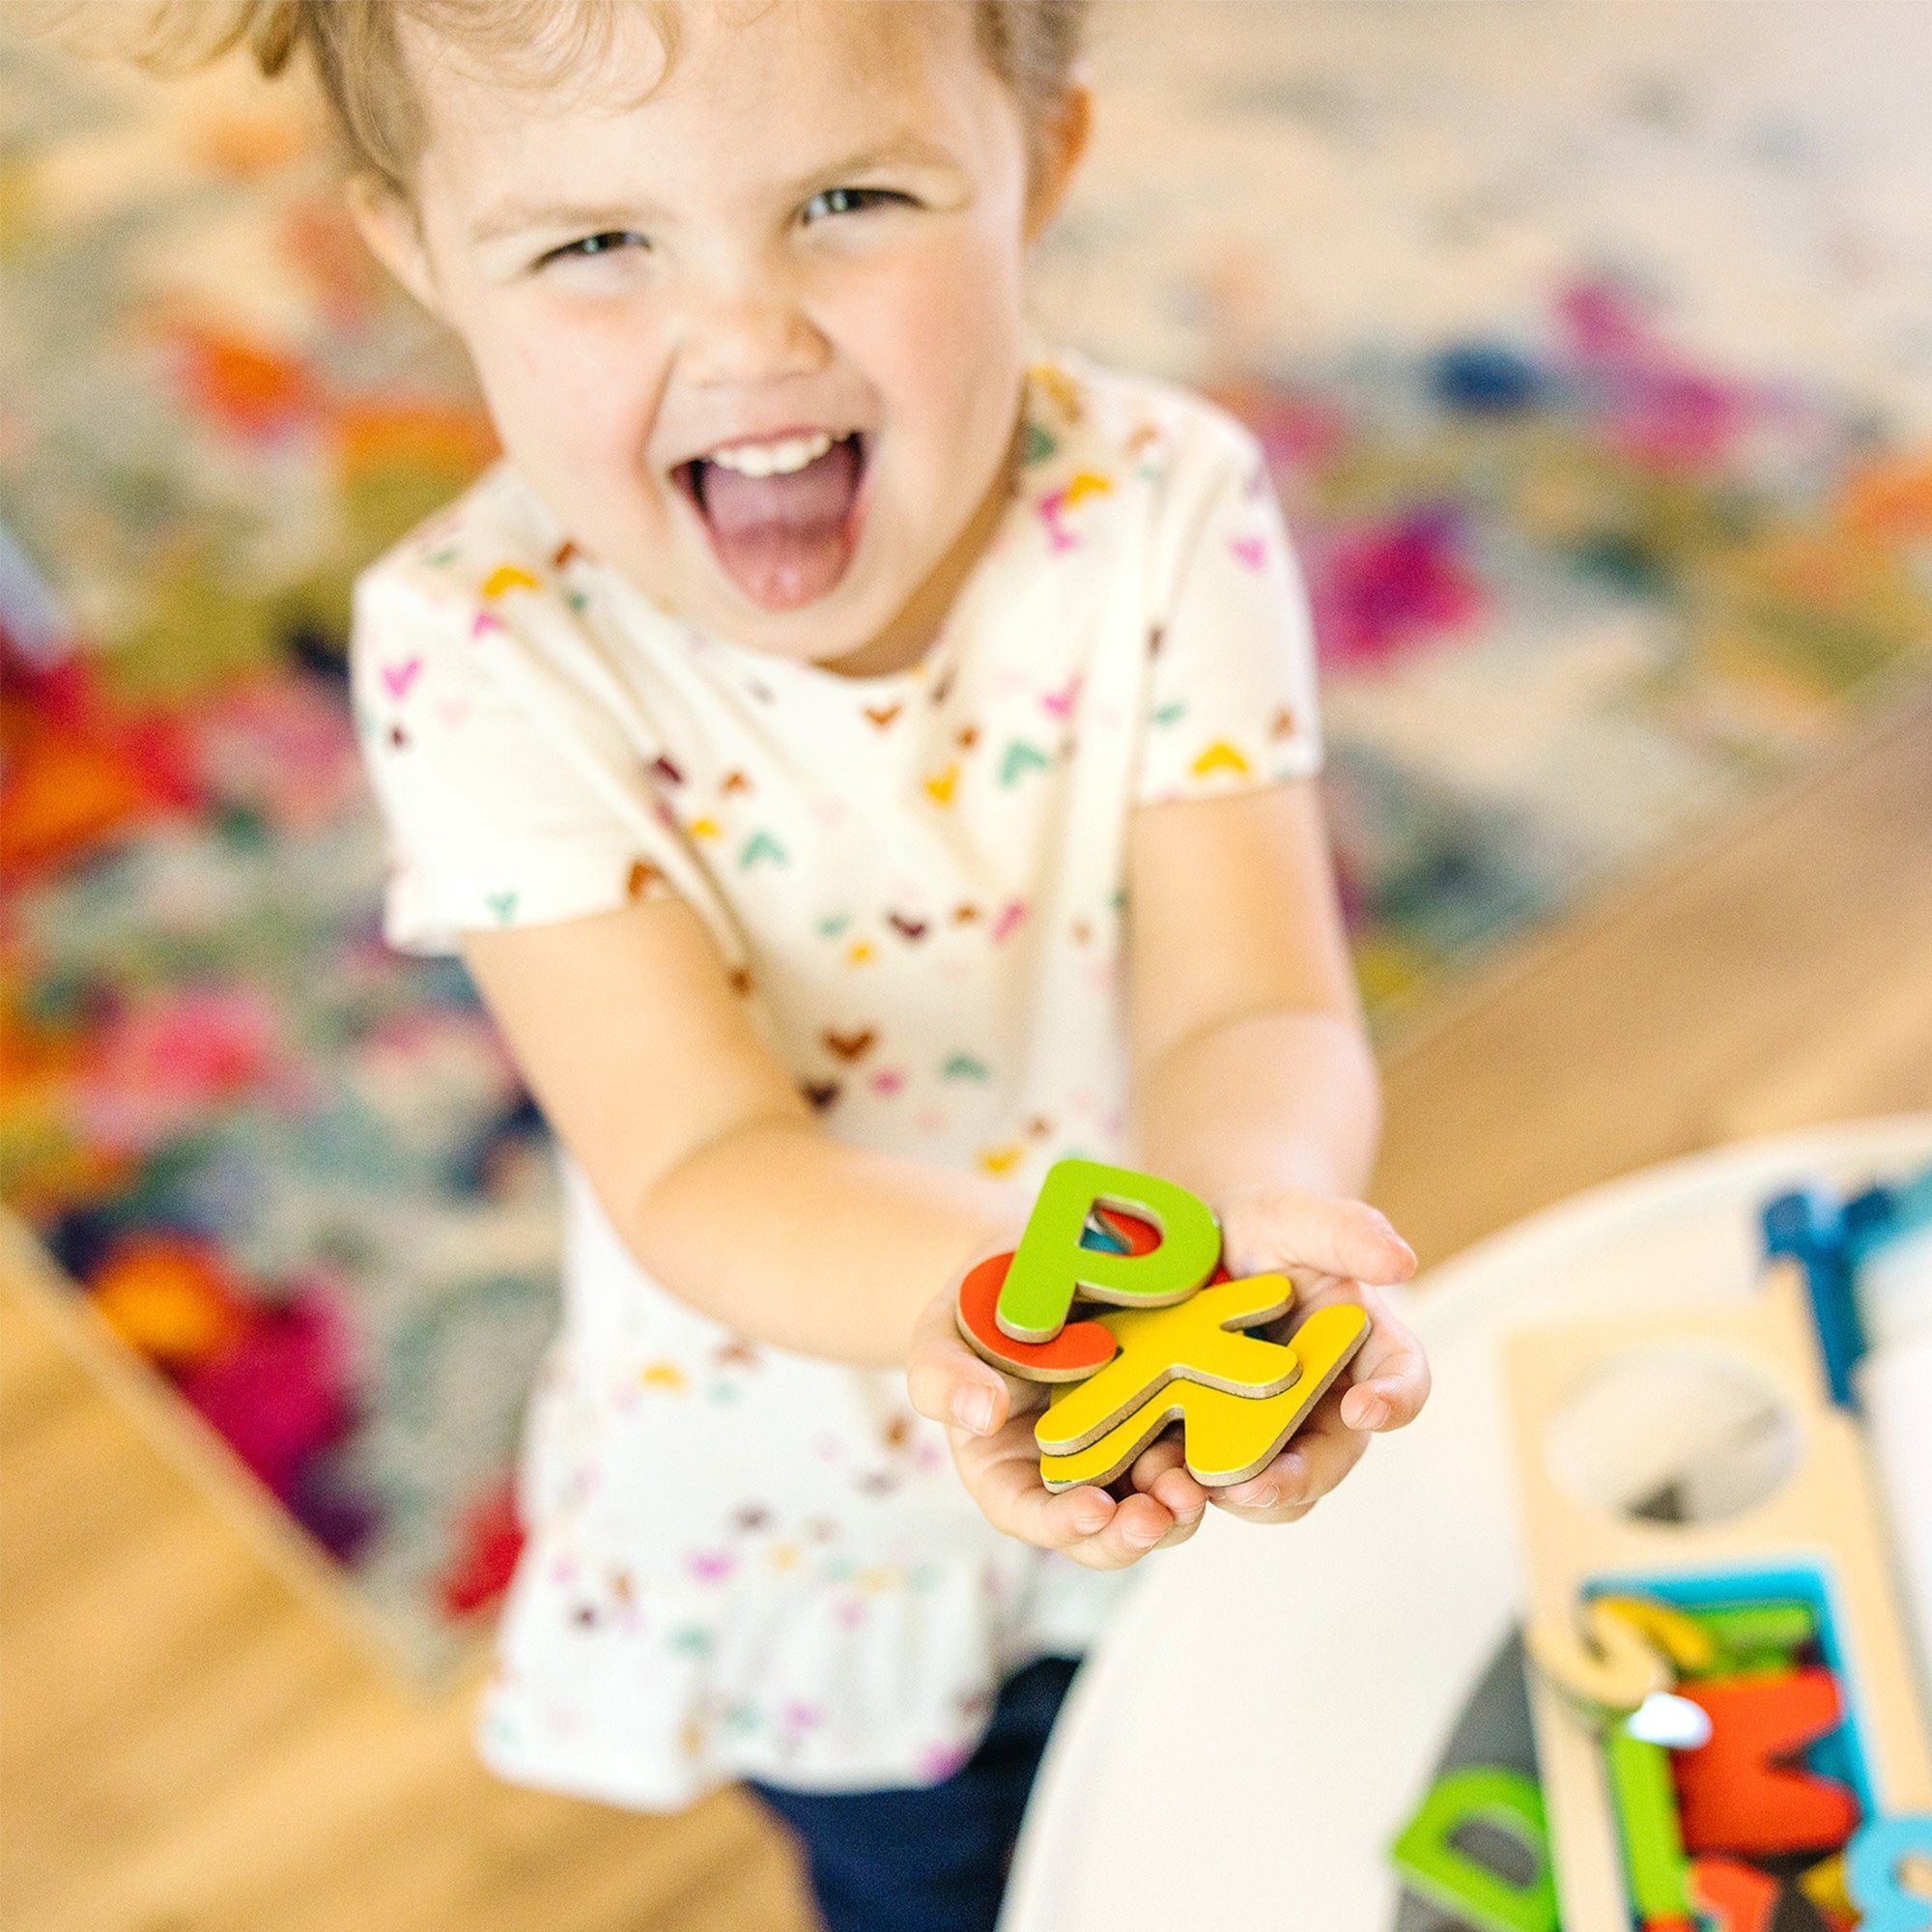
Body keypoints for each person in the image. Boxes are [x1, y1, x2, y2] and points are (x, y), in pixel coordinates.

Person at [120, 3, 1431, 1926]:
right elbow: (700, 1164)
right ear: (418, 252)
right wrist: (1022, 1321)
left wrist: (1241, 1243)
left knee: (1238, 1817)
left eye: (847, 196)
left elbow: (1259, 1002)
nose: (749, 336)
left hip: (1159, 1424)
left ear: (1039, 163)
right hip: (811, 1509)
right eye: (592, 244)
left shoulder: (1163, 506)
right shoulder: (478, 650)